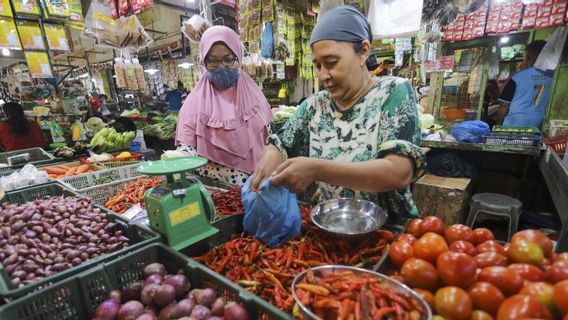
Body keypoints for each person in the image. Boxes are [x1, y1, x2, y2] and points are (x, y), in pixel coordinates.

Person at [251, 6, 425, 222]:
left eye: (332, 63)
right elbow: (280, 144)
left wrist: (318, 170)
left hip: (388, 233)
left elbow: (398, 172)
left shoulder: (392, 93)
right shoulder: (315, 105)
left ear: (363, 51)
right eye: (317, 66)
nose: (324, 75)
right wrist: (270, 159)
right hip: (330, 230)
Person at [175, 26, 273, 186]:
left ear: (239, 57)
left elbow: (268, 138)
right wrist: (178, 160)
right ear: (203, 61)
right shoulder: (194, 103)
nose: (221, 66)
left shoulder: (254, 95)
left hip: (256, 187)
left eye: (228, 59)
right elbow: (186, 147)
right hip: (216, 193)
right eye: (212, 60)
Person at [498, 40, 553, 128]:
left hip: (512, 126)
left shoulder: (516, 77)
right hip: (539, 127)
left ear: (527, 57)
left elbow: (504, 106)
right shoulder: (555, 77)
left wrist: (498, 125)